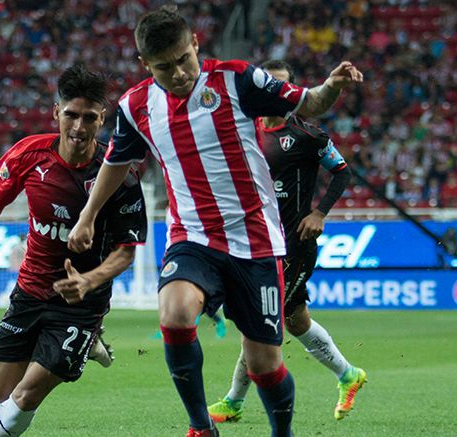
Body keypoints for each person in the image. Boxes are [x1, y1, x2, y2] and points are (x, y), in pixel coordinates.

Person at [67, 7, 363, 437]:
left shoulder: (238, 78)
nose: (180, 73)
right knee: (174, 313)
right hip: (193, 237)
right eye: (165, 67)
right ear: (145, 65)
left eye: (184, 59)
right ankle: (201, 427)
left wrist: (331, 86)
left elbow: (308, 101)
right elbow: (116, 161)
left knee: (264, 364)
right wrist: (88, 216)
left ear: (196, 46)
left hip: (256, 241)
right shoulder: (135, 106)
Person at [0, 65, 147, 437]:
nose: (78, 127)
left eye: (89, 118)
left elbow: (127, 251)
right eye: (71, 115)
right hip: (30, 290)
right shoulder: (29, 154)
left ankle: (77, 341)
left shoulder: (117, 175)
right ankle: (83, 347)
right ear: (55, 112)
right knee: (0, 390)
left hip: (81, 302)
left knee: (27, 394)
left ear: (102, 118)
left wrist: (89, 281)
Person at [207, 60, 366, 424]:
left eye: (282, 86)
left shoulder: (309, 136)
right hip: (256, 242)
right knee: (294, 320)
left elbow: (342, 172)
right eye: (269, 85)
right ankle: (348, 374)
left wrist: (320, 213)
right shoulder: (245, 130)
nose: (274, 93)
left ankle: (233, 401)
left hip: (294, 244)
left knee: (260, 322)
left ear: (293, 92)